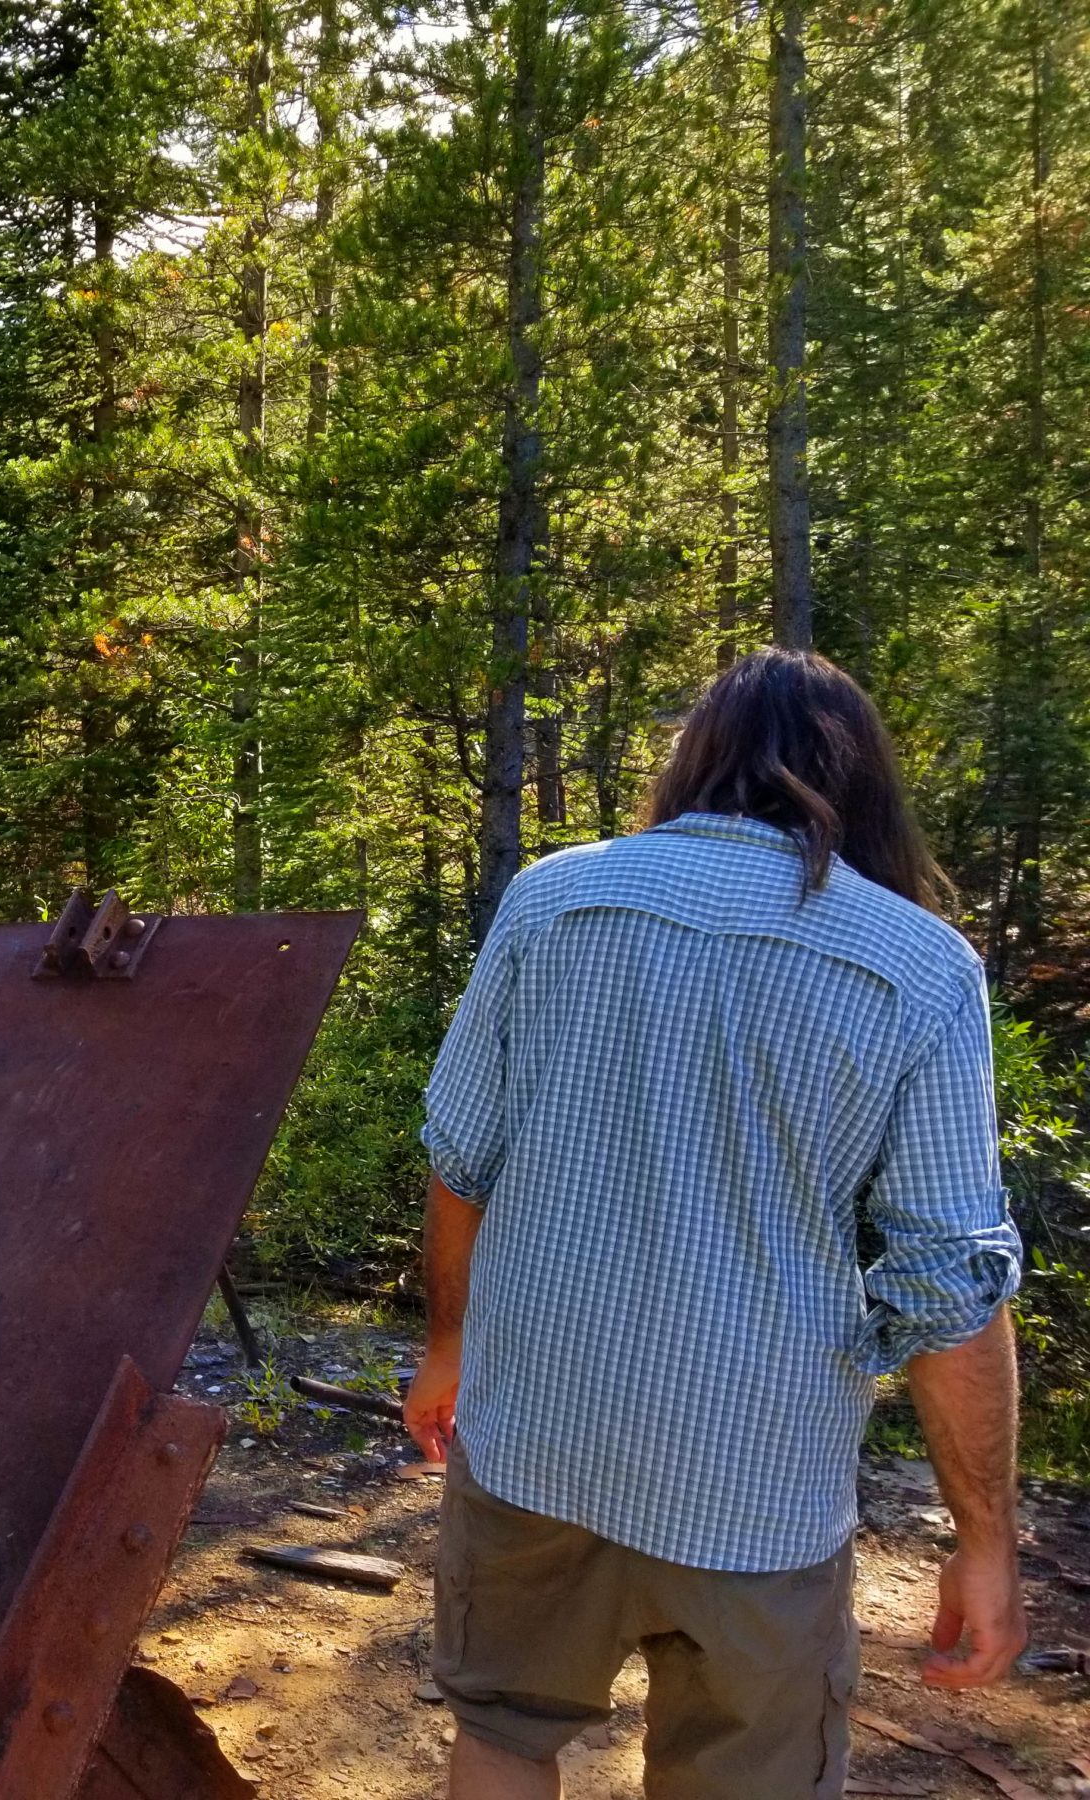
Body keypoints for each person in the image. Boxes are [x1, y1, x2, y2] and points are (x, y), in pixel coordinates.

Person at [404, 649, 1028, 1800]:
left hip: (538, 1431)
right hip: (754, 1485)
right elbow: (950, 1284)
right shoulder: (920, 969)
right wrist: (985, 1544)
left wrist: (448, 1348)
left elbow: (462, 1161)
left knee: (501, 1730)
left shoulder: (554, 899)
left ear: (695, 761)